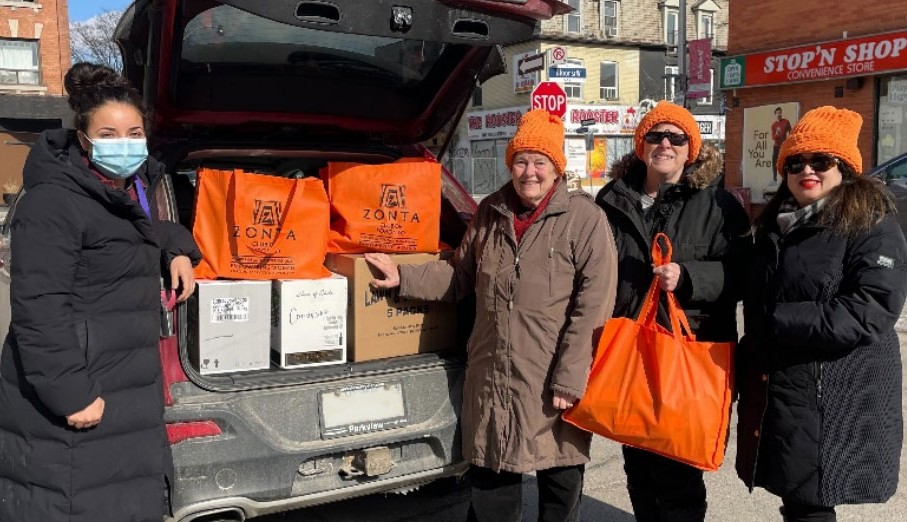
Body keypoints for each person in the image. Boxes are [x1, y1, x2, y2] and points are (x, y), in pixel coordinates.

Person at [365, 109, 618, 522]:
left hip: (552, 378)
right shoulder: (490, 213)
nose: (529, 172)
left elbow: (594, 305)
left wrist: (572, 377)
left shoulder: (584, 219)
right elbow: (460, 276)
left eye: (540, 162)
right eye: (521, 160)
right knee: (492, 490)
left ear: (557, 168)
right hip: (493, 374)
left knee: (560, 485)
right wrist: (402, 276)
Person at [0, 63, 201, 522]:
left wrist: (178, 247)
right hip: (80, 399)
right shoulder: (53, 201)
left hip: (123, 393)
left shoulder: (115, 197)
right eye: (109, 132)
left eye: (134, 132)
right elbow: (39, 310)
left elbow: (135, 233)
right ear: (83, 139)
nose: (124, 142)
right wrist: (71, 393)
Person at [736, 106, 907, 522]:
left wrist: (777, 319)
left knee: (812, 501)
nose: (806, 170)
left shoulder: (871, 222)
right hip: (786, 388)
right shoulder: (775, 226)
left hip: (837, 390)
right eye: (795, 162)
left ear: (844, 167)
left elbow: (871, 310)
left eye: (821, 161)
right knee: (798, 498)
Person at [594, 100, 751, 522]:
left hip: (690, 351)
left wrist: (689, 277)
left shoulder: (719, 205)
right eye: (655, 136)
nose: (665, 144)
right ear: (641, 144)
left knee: (679, 470)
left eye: (676, 138)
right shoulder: (611, 199)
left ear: (691, 149)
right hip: (629, 349)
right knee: (637, 463)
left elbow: (743, 274)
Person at [771, 107, 792, 183]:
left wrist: (789, 141)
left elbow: (790, 131)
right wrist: (777, 134)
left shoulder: (786, 122)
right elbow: (773, 137)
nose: (779, 114)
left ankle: (786, 178)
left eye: (780, 112)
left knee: (785, 162)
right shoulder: (773, 125)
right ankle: (774, 178)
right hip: (776, 146)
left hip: (783, 146)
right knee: (774, 162)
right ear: (775, 114)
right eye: (777, 113)